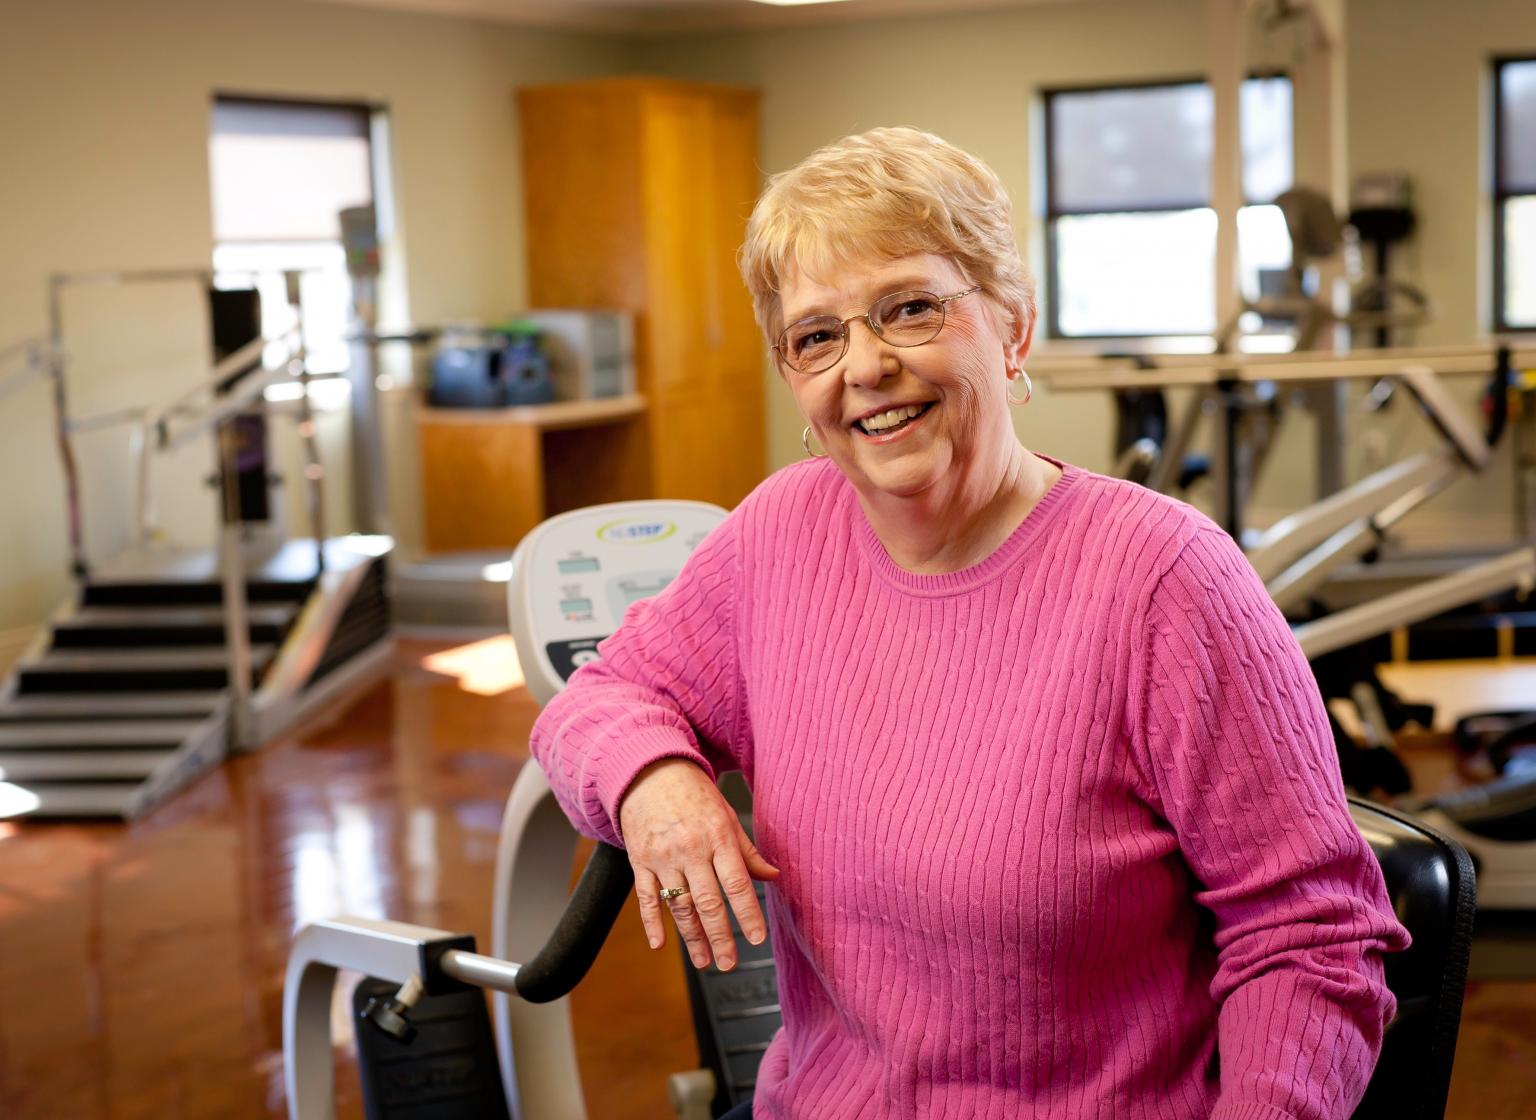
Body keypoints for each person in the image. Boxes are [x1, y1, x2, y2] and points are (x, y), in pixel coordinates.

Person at [531, 126, 1409, 1120]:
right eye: (817, 336)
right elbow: (598, 699)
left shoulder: (1165, 581)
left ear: (1013, 326)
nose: (864, 366)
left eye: (909, 309)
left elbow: (1309, 940)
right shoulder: (779, 532)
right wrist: (655, 781)